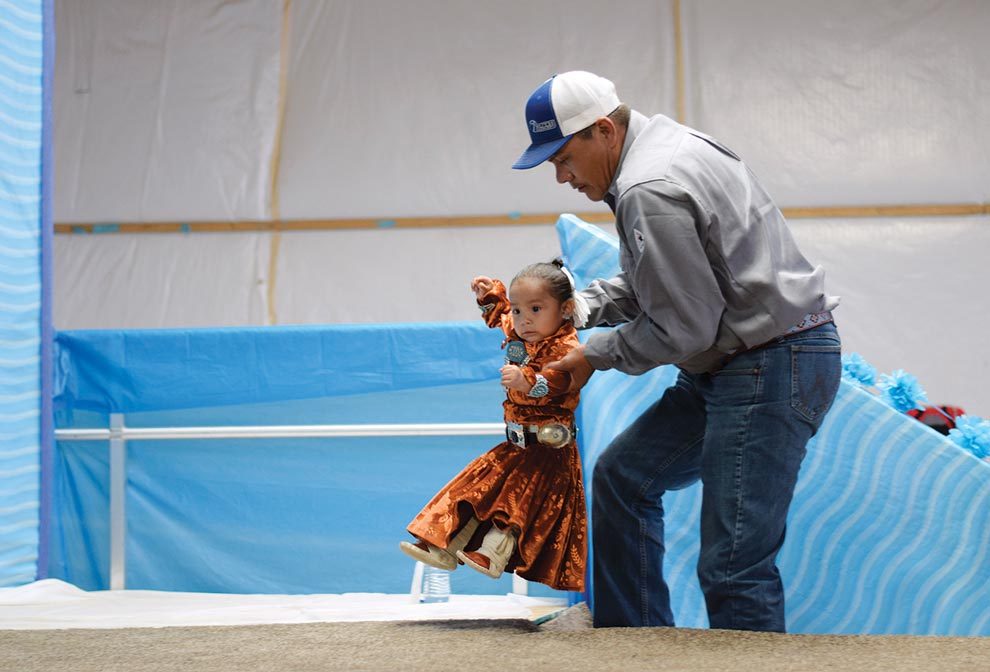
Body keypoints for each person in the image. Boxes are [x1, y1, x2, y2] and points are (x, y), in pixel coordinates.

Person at [512, 71, 842, 632]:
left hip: (769, 364)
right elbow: (663, 282)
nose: (562, 177)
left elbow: (685, 325)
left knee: (735, 567)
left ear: (602, 132)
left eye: (564, 159)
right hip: (747, 359)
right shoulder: (665, 147)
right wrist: (575, 309)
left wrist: (592, 355)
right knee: (624, 480)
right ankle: (635, 649)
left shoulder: (648, 188)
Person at [400, 259, 589, 591]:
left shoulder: (567, 345)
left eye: (535, 308)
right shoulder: (519, 333)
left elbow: (561, 380)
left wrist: (527, 380)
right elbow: (501, 316)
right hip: (515, 445)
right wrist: (491, 295)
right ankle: (443, 545)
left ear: (565, 309)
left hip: (548, 453)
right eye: (519, 310)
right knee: (472, 491)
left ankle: (493, 554)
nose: (523, 319)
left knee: (515, 504)